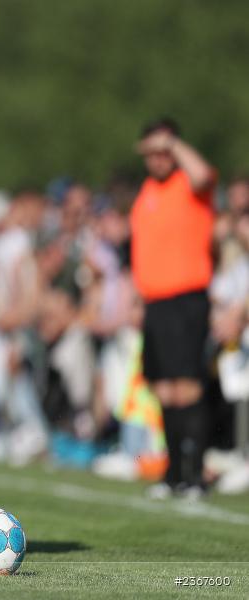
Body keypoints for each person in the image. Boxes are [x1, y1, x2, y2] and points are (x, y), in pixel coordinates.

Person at [130, 118, 216, 499]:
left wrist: (175, 144)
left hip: (187, 299)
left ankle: (195, 473)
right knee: (163, 389)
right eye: (151, 152)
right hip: (155, 303)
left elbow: (203, 173)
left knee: (187, 387)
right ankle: (173, 473)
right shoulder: (147, 192)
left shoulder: (190, 185)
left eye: (163, 151)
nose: (158, 159)